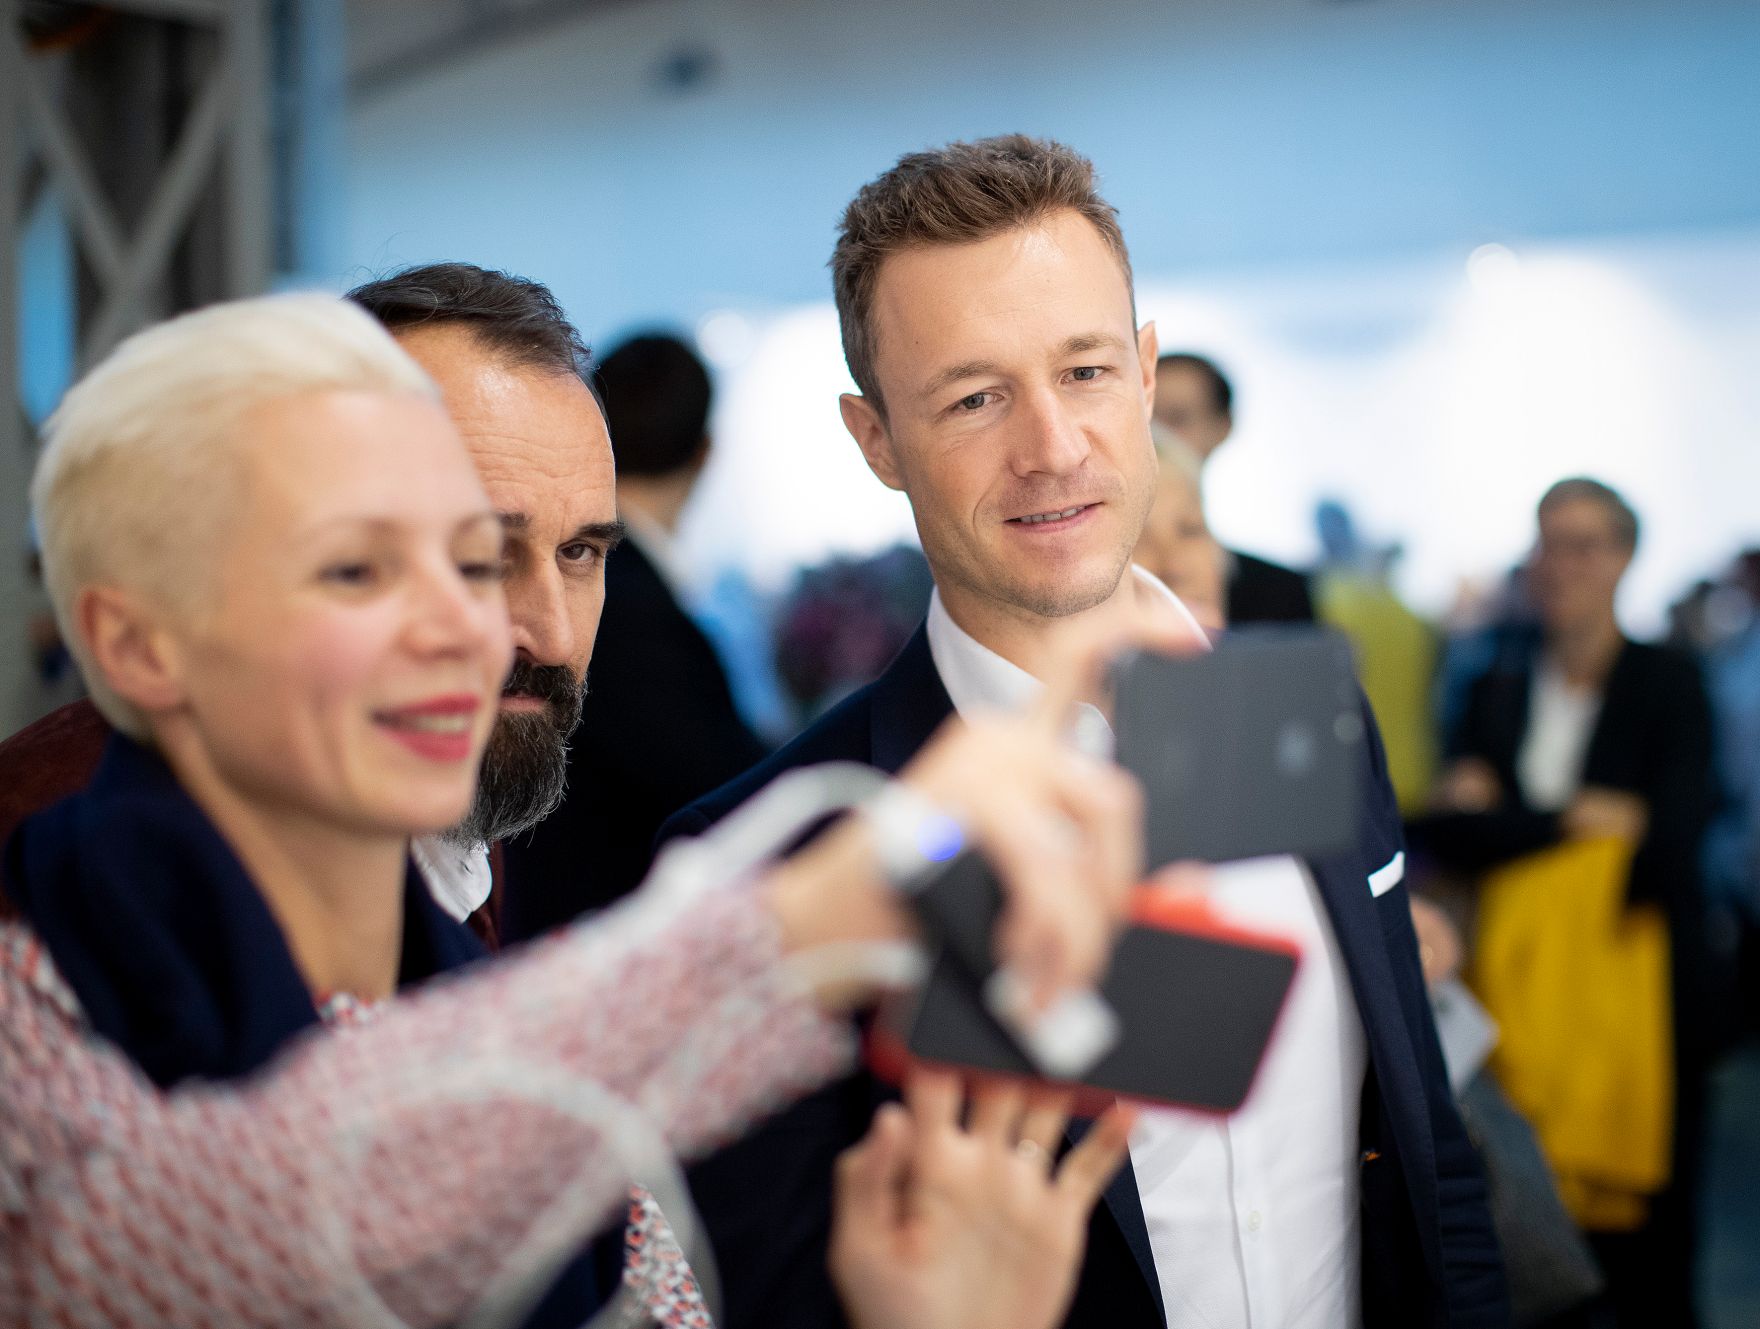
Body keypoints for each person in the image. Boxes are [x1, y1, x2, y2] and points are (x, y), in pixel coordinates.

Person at [1, 291, 1152, 1327]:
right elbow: (170, 1250)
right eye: (357, 569)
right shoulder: (36, 971)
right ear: (138, 644)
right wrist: (798, 924)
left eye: (473, 559)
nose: (490, 631)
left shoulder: (468, 943)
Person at [660, 135, 1507, 1329]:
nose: (1052, 448)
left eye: (1085, 371)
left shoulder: (1301, 717)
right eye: (973, 398)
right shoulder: (774, 858)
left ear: (1145, 376)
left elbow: (1421, 1143)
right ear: (875, 440)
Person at [1421, 476, 1717, 1329]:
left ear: (1625, 557)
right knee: (1529, 1210)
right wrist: (1568, 821)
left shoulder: (1670, 680)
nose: (1561, 564)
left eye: (1584, 545)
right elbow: (1452, 829)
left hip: (1640, 983)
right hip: (1518, 981)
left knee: (1651, 1235)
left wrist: (1510, 819)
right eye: (1549, 543)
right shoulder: (1496, 676)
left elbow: (1669, 842)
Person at [500, 332, 769, 938]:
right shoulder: (637, 612)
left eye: (582, 553)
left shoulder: (628, 593)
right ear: (705, 452)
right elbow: (729, 789)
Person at [1152, 350, 1315, 626]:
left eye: (1178, 419)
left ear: (1223, 426)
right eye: (1144, 418)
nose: (1156, 436)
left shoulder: (1280, 593)